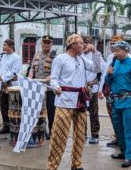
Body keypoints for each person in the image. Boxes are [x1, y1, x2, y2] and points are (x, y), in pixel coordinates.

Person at [46, 34, 101, 170]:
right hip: (64, 101)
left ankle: (76, 164)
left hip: (80, 101)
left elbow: (96, 68)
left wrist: (95, 52)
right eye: (81, 43)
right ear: (73, 45)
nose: (84, 45)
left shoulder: (81, 59)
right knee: (59, 135)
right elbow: (54, 78)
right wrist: (55, 87)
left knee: (80, 134)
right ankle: (52, 166)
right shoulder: (60, 59)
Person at [105, 41, 131, 168]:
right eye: (114, 50)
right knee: (118, 129)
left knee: (128, 130)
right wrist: (109, 74)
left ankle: (129, 156)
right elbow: (109, 82)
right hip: (115, 102)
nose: (115, 53)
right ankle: (123, 152)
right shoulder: (115, 62)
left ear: (126, 50)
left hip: (128, 102)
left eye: (117, 51)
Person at [98, 35, 131, 147]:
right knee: (113, 116)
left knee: (123, 119)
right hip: (110, 91)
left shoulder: (129, 58)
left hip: (123, 94)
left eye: (115, 43)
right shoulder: (110, 57)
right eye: (111, 43)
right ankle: (117, 137)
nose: (113, 46)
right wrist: (100, 89)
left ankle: (123, 142)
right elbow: (105, 74)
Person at [28, 35, 57, 138]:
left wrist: (51, 76)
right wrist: (31, 74)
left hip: (49, 89)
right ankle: (41, 130)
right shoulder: (37, 54)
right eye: (44, 42)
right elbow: (32, 67)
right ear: (41, 44)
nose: (46, 44)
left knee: (51, 111)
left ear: (51, 44)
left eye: (48, 42)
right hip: (38, 88)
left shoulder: (55, 57)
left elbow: (57, 71)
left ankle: (52, 131)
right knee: (39, 110)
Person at [81, 36, 106, 144]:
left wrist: (100, 88)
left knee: (93, 113)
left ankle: (95, 134)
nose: (84, 45)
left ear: (91, 44)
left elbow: (104, 71)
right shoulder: (79, 55)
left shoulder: (96, 55)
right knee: (81, 112)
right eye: (83, 43)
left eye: (87, 43)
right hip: (81, 89)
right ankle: (83, 134)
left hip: (93, 88)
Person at [0, 39, 21, 134]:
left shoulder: (16, 57)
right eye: (3, 45)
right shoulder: (2, 57)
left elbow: (14, 72)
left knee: (12, 106)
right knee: (3, 105)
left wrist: (3, 77)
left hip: (11, 86)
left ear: (11, 46)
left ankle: (14, 125)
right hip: (2, 85)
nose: (3, 47)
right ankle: (6, 125)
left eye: (5, 45)